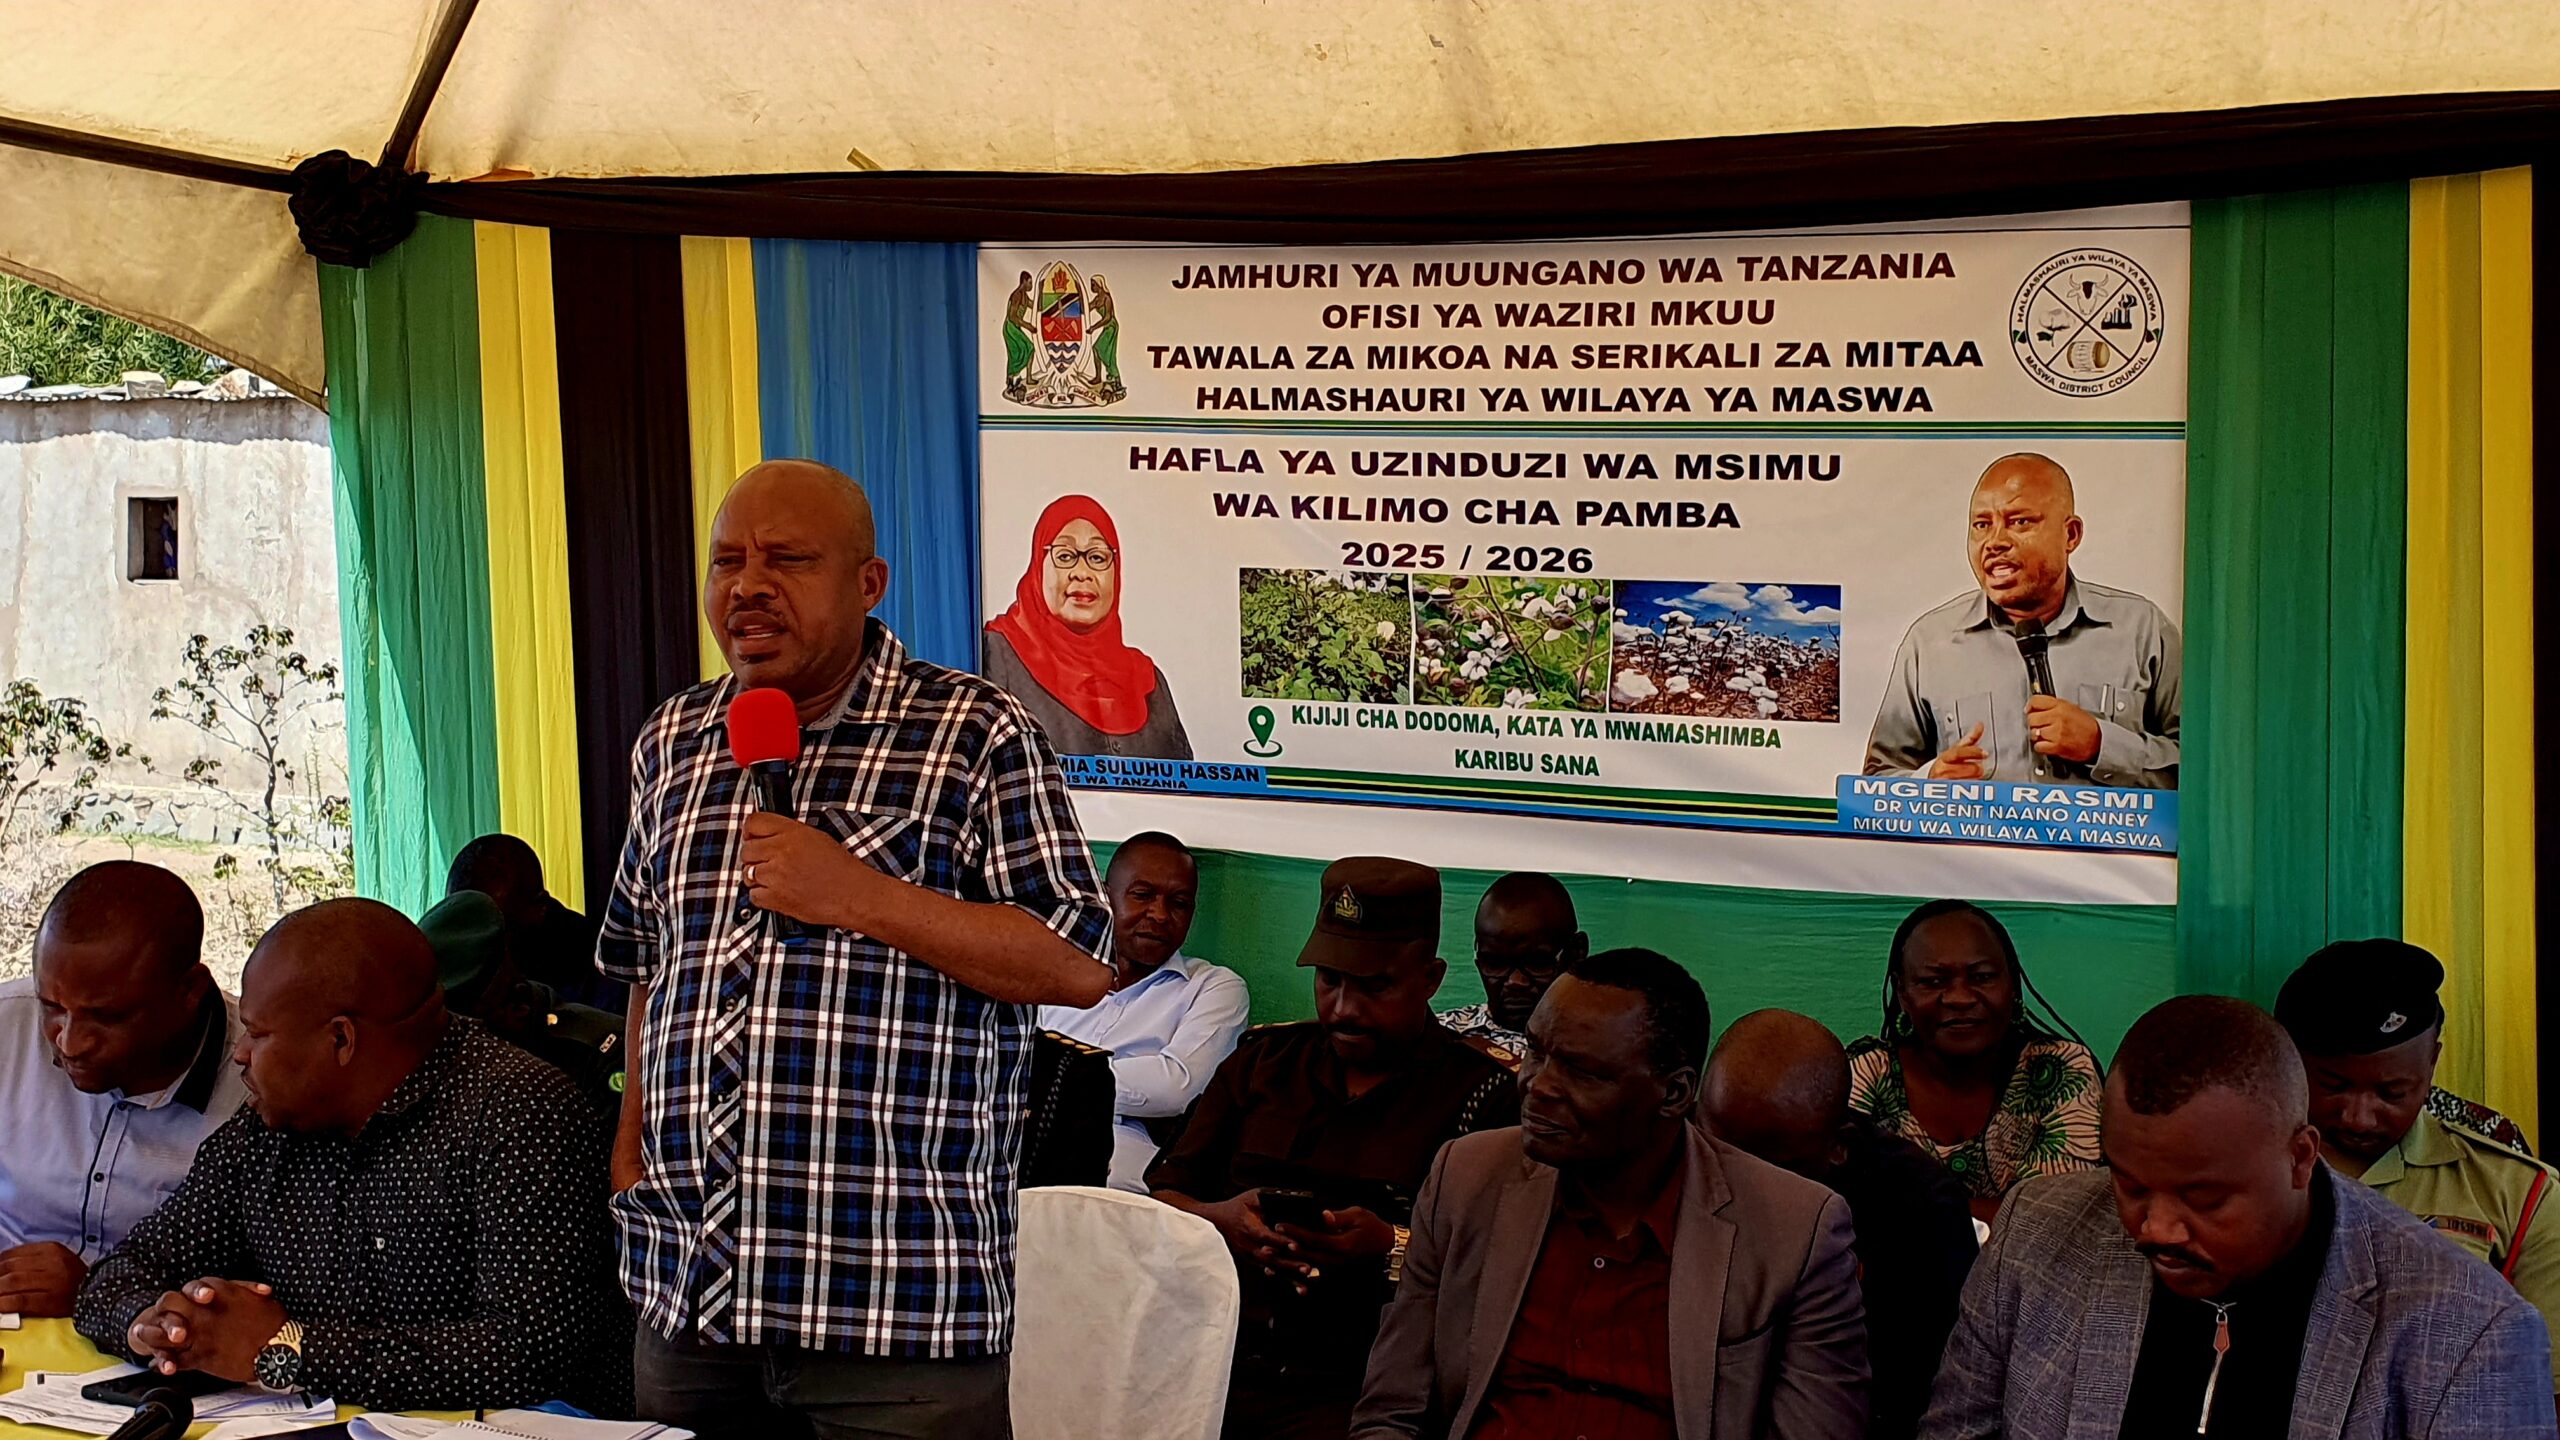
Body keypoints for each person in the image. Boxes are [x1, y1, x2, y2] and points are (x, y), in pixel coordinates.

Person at [604, 459, 1113, 1439]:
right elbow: (642, 962)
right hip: (692, 1296)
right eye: (726, 562)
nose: (748, 586)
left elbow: (1076, 959)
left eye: (787, 561)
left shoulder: (974, 731)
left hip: (894, 1308)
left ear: (869, 583)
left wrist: (860, 896)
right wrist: (631, 1158)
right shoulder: (674, 739)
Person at [73, 898, 625, 1412]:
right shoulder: (268, 1128)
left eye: (257, 1034)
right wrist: (155, 1325)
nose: (239, 1054)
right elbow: (120, 1271)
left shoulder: (520, 1112)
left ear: (340, 1040)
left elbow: (531, 1351)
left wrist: (286, 1350)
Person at [1923, 995, 2555, 1439]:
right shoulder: (2039, 1231)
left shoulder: (2467, 1328)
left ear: (2300, 1158)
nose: (2156, 1228)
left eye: (2204, 1198)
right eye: (2130, 1184)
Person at [1354, 952, 1869, 1439]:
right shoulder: (1465, 1179)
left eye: (1582, 1072)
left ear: (1674, 1093)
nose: (1538, 1085)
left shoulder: (1795, 1232)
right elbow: (1391, 1410)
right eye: (1536, 1051)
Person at [1150, 857, 1517, 1440]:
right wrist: (1222, 1222)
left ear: (1431, 978)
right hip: (1213, 1367)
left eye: (1375, 986)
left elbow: (1499, 1267)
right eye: (1329, 979)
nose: (1344, 1007)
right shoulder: (1261, 1064)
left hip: (1370, 1391)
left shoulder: (1485, 1097)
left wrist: (1390, 1246)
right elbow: (1162, 1200)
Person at [2276, 938, 2560, 1390]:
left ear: (2432, 1061)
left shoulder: (2515, 1191)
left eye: (2392, 1093)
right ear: (2289, 1062)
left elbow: (2543, 1388)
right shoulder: (2242, 1171)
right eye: (2332, 1086)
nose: (2359, 1117)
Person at [1702, 1008, 1976, 1440]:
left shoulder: (1923, 1210)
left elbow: (1917, 1389)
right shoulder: (1670, 1156)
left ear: (1838, 1146)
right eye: (1718, 1152)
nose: (1736, 1182)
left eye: (1767, 1166)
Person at [0, 863, 246, 1318]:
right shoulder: (5, 1026)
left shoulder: (260, 1084)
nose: (70, 1041)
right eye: (51, 1006)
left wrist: (100, 1289)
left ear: (190, 991)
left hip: (150, 1343)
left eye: (107, 1017)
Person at [1864, 452, 2180, 787]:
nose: (1995, 542)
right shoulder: (1930, 643)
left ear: (2071, 535)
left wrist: (2101, 746)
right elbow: (1879, 780)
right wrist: (1929, 780)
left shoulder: (2142, 630)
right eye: (1982, 525)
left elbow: (2204, 772)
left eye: (2019, 522)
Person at [1846, 899, 2101, 1225]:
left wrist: (1905, 1212)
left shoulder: (2061, 1070)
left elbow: (2059, 1215)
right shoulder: (1865, 1072)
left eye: (1982, 977)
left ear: (2012, 985)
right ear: (1902, 992)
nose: (1960, 998)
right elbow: (1836, 1204)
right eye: (1933, 981)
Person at [1037, 831, 1248, 1191]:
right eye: (1143, 895)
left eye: (1179, 903)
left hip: (1123, 1189)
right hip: (1021, 1164)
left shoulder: (1214, 988)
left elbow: (1179, 1086)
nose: (1160, 915)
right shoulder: (1054, 972)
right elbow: (1007, 1066)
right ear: (1106, 896)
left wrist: (1056, 1085)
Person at [981, 493, 1194, 760]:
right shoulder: (997, 654)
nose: (1082, 573)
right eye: (1065, 555)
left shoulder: (1147, 681)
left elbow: (1184, 778)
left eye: (1097, 557)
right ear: (1038, 565)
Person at [422, 890, 624, 1121]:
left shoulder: (598, 1052)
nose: (461, 1045)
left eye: (471, 1029)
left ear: (517, 1010)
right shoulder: (438, 1068)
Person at [1436, 871, 1587, 1070]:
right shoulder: (1437, 1038)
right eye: (1495, 963)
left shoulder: (1608, 1046)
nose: (1515, 981)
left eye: (1536, 963)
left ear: (1576, 954)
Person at [448, 832, 614, 1011]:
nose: (480, 952)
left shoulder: (606, 971)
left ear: (540, 907)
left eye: (498, 934)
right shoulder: (460, 972)